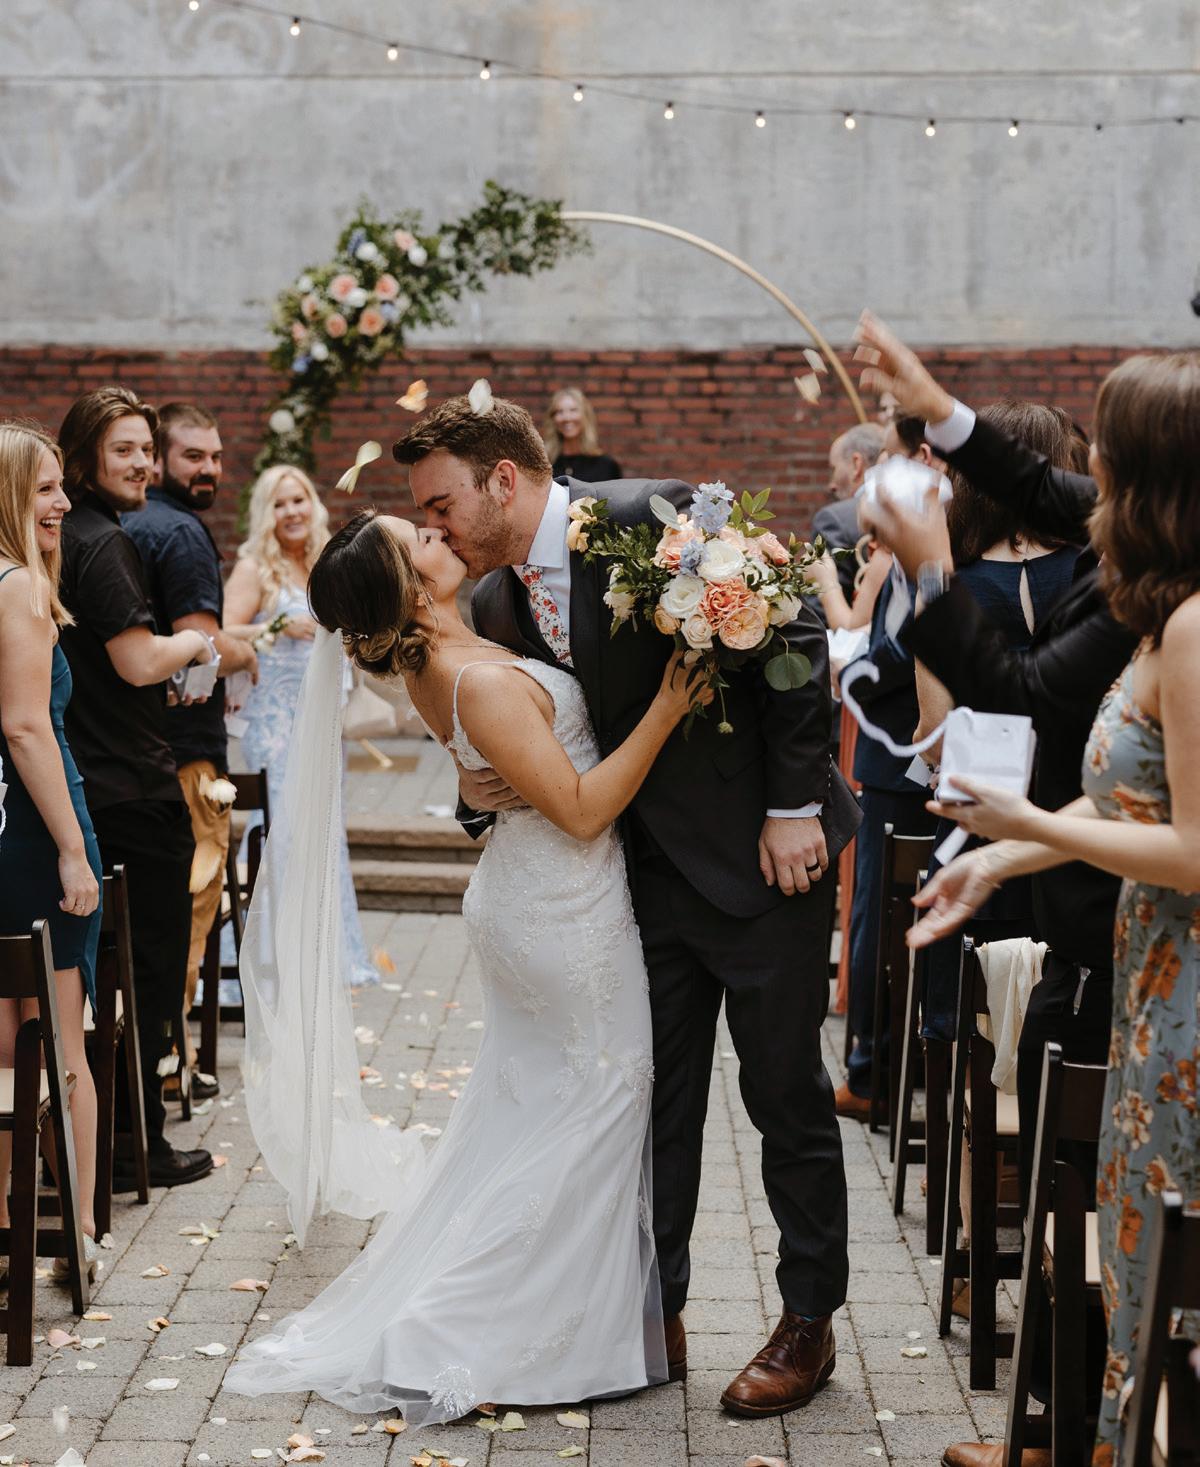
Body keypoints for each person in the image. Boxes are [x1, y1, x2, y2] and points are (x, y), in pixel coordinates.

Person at [394, 397, 860, 1416]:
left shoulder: (647, 516)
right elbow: (526, 733)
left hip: (762, 860)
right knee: (656, 1107)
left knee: (784, 1092)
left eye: (440, 506)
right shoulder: (496, 603)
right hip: (631, 883)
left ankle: (808, 1321)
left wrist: (793, 806)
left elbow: (792, 617)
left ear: (502, 481)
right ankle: (655, 1310)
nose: (434, 530)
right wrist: (474, 788)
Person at [227, 507, 711, 1417]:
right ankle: (459, 1327)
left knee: (539, 1118)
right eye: (421, 541)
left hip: (537, 898)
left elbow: (501, 764)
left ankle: (573, 1324)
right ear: (412, 589)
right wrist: (666, 709)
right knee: (597, 1108)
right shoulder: (470, 676)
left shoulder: (438, 654)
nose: (440, 536)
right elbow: (581, 811)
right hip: (561, 910)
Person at [896, 349, 1200, 1466]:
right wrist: (1001, 860)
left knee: (1162, 1261)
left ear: (1150, 480)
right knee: (1134, 1250)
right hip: (1151, 973)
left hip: (1186, 992)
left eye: (1105, 457)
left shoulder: (1194, 628)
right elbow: (1127, 797)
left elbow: (1194, 849)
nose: (1088, 476)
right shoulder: (1163, 609)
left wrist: (1027, 821)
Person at [58, 387, 215, 1189]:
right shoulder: (104, 543)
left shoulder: (63, 537)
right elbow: (136, 660)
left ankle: (113, 1138)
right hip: (132, 788)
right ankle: (135, 1145)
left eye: (147, 450)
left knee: (108, 974)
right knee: (147, 973)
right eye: (124, 450)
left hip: (90, 779)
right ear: (84, 456)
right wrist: (196, 642)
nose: (143, 464)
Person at [123, 402, 259, 1097]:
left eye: (216, 456)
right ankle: (163, 1071)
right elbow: (202, 653)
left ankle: (147, 1065)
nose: (210, 469)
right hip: (186, 757)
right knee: (188, 913)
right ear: (157, 460)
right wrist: (248, 652)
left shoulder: (118, 524)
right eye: (193, 456)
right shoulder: (180, 533)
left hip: (129, 751)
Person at [0, 422, 102, 1272]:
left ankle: (7, 1238)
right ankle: (76, 1235)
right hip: (35, 832)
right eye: (44, 488)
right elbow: (28, 727)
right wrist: (72, 848)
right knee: (62, 1042)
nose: (64, 502)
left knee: (4, 1049)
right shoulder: (21, 588)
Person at [223, 464, 378, 986]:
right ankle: (270, 960)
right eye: (280, 503)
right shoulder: (254, 568)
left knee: (324, 829)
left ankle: (325, 956)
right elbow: (222, 632)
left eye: (299, 500)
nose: (292, 512)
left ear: (313, 505)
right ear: (266, 513)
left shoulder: (323, 562)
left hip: (320, 719)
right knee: (282, 832)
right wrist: (275, 624)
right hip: (274, 723)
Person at [834, 417, 942, 1121]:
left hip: (903, 756)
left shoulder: (926, 548)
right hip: (911, 754)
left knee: (878, 914)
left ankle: (872, 1074)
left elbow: (905, 647)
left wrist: (855, 675)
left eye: (891, 459)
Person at [811, 422, 886, 603]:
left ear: (856, 464)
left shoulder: (834, 520)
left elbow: (820, 613)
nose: (831, 485)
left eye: (834, 468)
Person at [542, 387, 622, 483]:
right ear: (553, 419)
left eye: (573, 410)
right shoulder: (543, 466)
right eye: (560, 411)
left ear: (585, 415)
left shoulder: (606, 466)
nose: (567, 418)